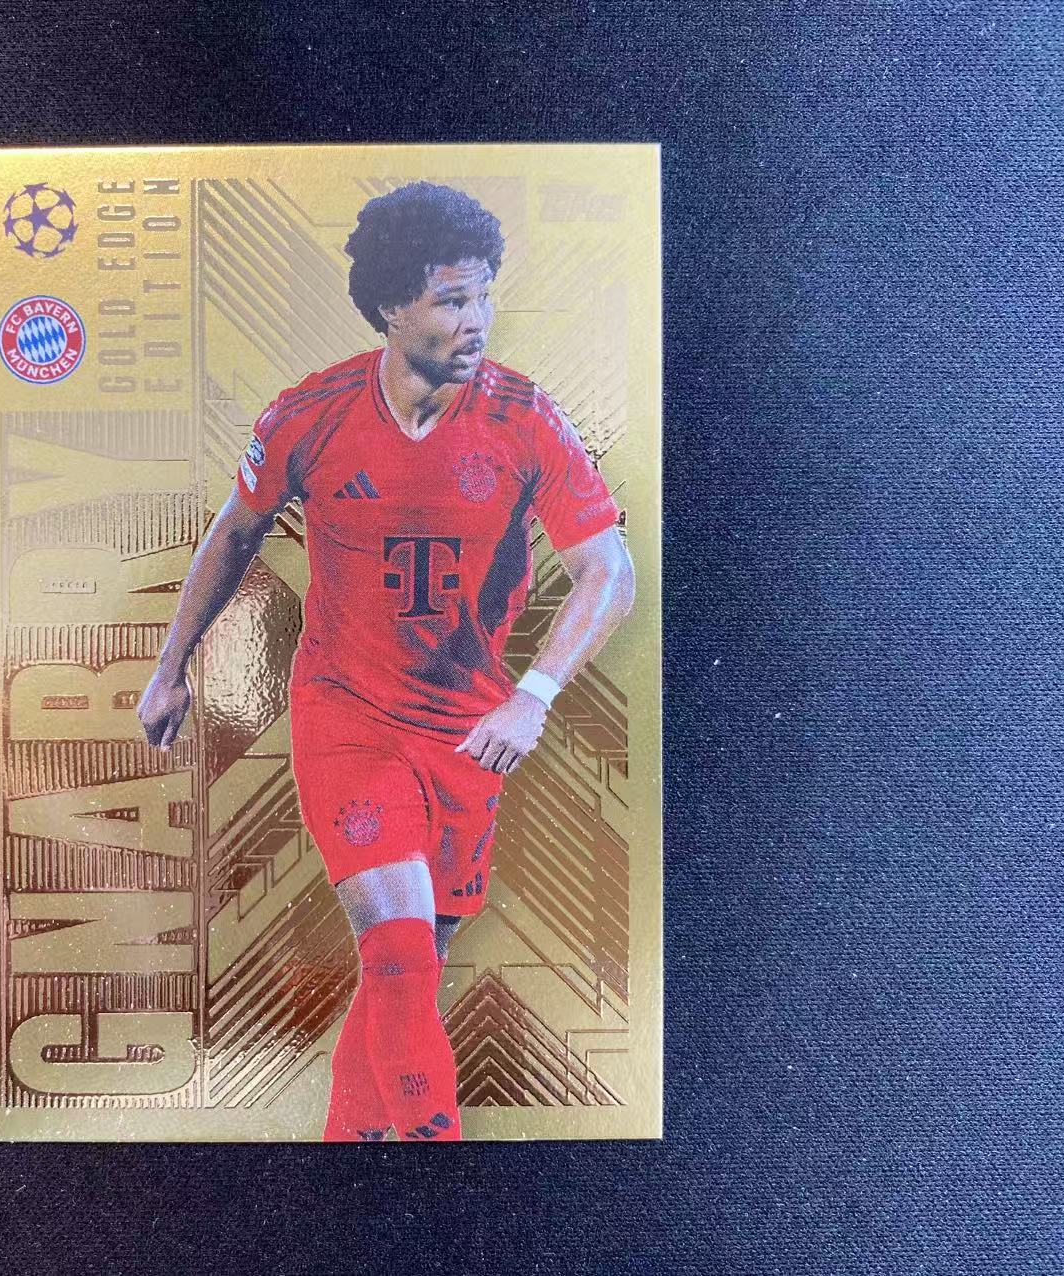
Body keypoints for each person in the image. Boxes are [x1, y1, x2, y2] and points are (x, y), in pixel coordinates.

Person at [138, 182, 635, 1141]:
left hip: (470, 730)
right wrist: (170, 668)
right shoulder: (310, 415)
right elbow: (234, 534)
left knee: (409, 970)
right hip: (347, 716)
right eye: (452, 300)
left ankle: (349, 1145)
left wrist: (533, 696)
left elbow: (608, 571)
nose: (477, 320)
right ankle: (437, 1152)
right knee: (400, 958)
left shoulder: (526, 417)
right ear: (391, 308)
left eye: (484, 295)